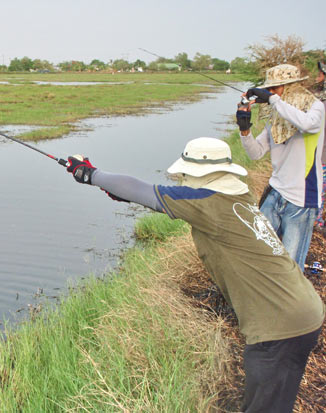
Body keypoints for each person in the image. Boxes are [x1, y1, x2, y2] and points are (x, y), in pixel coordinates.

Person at [65, 137, 324, 413]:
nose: (183, 180)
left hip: (279, 326)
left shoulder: (208, 202)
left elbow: (143, 189)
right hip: (304, 310)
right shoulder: (237, 196)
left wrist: (91, 174)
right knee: (276, 400)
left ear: (198, 174)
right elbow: (148, 196)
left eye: (186, 175)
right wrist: (121, 191)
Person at [235, 64, 325, 271]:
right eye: (269, 89)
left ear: (291, 86)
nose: (270, 93)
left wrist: (273, 100)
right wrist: (244, 128)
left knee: (291, 264)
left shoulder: (315, 107)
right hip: (275, 191)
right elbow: (256, 152)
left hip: (301, 198)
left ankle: (291, 301)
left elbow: (309, 124)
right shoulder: (277, 117)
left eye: (275, 88)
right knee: (258, 249)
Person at [311, 61, 326, 231]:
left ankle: (317, 223)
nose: (317, 78)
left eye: (320, 75)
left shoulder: (319, 103)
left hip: (321, 156)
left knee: (319, 191)